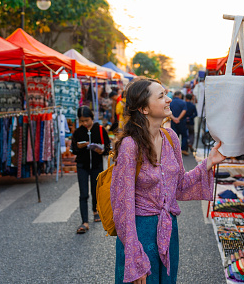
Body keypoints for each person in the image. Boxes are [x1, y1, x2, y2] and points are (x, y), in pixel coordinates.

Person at [110, 77, 226, 284]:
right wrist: (134, 257)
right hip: (140, 235)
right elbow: (122, 205)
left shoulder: (171, 137)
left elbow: (179, 186)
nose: (169, 99)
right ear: (144, 108)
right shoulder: (130, 146)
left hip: (168, 230)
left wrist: (208, 162)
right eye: (162, 95)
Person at [71, 106, 111, 234]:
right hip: (82, 165)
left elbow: (108, 147)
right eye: (82, 121)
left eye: (87, 120)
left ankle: (95, 210)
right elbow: (73, 149)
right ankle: (84, 222)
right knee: (83, 193)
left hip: (96, 165)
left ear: (92, 118)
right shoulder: (77, 132)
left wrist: (102, 151)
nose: (84, 123)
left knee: (96, 190)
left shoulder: (100, 130)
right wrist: (79, 147)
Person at [169, 91, 188, 156]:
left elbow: (168, 111)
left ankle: (175, 150)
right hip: (181, 121)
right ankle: (183, 149)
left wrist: (174, 118)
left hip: (173, 122)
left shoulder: (170, 102)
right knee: (184, 136)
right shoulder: (183, 102)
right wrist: (178, 119)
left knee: (174, 136)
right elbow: (184, 111)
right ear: (179, 95)